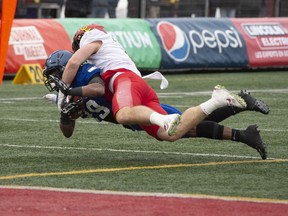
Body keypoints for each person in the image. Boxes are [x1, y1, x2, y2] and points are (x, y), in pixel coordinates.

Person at [43, 50, 269, 159]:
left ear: (67, 67)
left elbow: (98, 88)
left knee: (184, 127)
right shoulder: (69, 95)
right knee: (187, 128)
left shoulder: (84, 74)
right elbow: (67, 134)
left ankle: (239, 109)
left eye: (55, 73)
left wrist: (70, 91)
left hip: (134, 106)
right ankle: (243, 124)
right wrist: (64, 113)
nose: (54, 79)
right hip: (132, 116)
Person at [58, 24, 252, 144]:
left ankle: (163, 119)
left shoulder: (92, 40)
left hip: (124, 80)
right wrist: (65, 105)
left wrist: (62, 93)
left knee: (124, 114)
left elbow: (75, 64)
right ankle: (215, 101)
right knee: (172, 134)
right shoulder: (104, 54)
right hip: (138, 86)